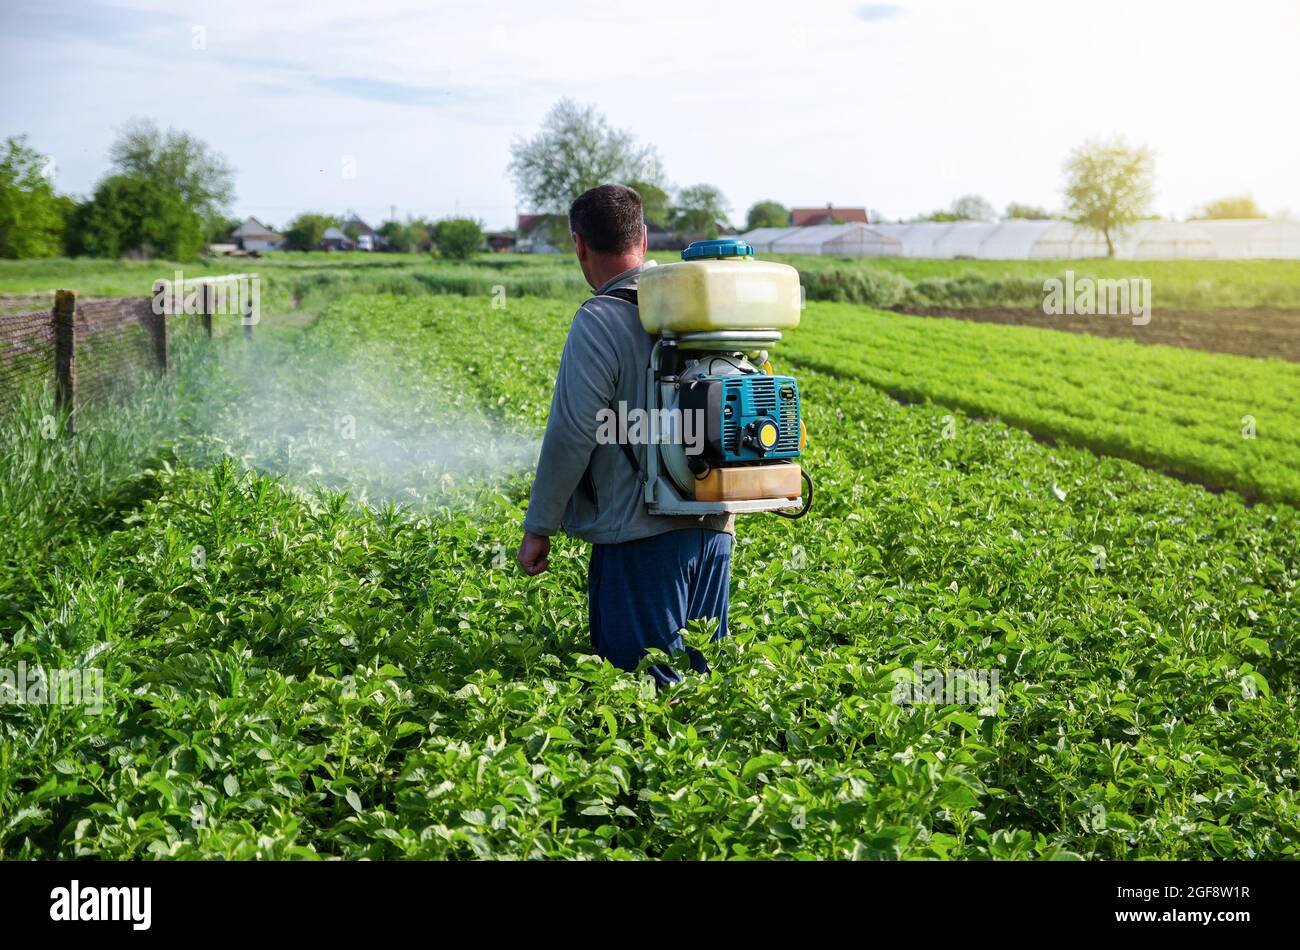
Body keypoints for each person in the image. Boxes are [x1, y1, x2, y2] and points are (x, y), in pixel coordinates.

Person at [516, 184, 734, 685]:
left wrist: (539, 526)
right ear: (641, 235)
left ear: (579, 244)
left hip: (639, 542)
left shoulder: (602, 318)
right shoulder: (701, 306)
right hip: (715, 530)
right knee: (706, 693)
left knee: (643, 697)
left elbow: (573, 432)